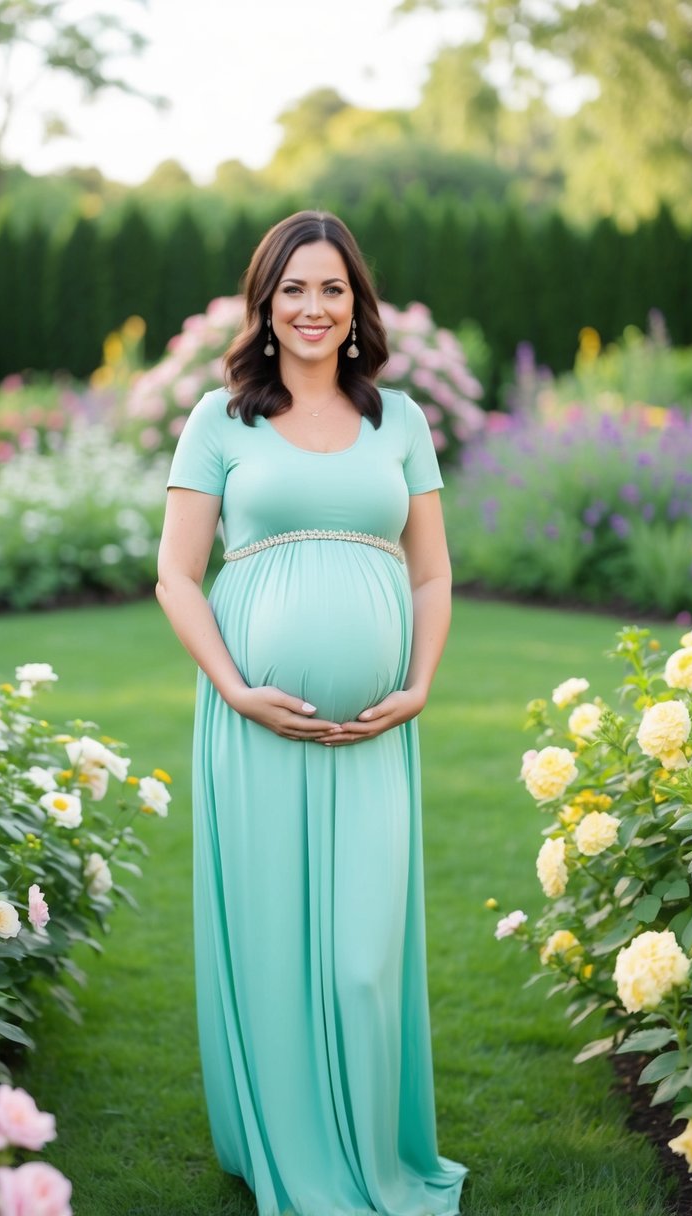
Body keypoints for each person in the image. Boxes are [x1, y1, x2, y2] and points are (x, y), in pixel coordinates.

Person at [155, 210, 467, 1216]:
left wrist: (417, 685)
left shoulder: (401, 420)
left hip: (378, 734)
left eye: (331, 288)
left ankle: (372, 1158)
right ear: (265, 301)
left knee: (359, 961)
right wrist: (235, 687)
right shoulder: (219, 419)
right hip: (252, 730)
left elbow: (430, 574)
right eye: (293, 288)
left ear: (356, 305)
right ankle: (284, 1153)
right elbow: (174, 574)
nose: (312, 307)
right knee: (274, 950)